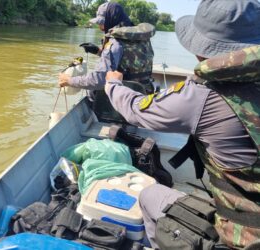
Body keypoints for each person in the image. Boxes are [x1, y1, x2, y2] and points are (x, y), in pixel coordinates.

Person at [104, 0, 260, 249]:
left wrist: (112, 84)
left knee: (150, 195)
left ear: (200, 48)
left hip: (246, 237)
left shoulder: (201, 96)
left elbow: (136, 111)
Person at [59, 2, 155, 122]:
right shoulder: (143, 38)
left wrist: (69, 80)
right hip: (143, 98)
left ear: (111, 20)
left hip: (121, 102)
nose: (100, 27)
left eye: (102, 23)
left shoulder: (115, 43)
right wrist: (99, 52)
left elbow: (99, 80)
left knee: (92, 87)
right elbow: (129, 62)